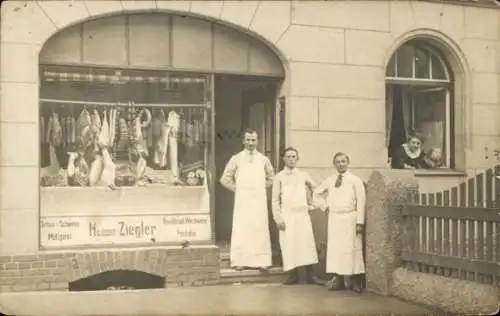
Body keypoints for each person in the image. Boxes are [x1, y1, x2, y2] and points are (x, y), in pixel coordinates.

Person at [220, 129, 275, 272]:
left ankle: (262, 261)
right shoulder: (236, 158)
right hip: (242, 201)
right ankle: (240, 261)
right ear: (243, 141)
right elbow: (224, 179)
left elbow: (272, 178)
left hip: (259, 200)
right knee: (242, 228)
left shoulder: (264, 159)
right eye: (248, 140)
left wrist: (261, 188)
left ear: (257, 141)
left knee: (259, 228)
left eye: (254, 140)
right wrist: (239, 190)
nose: (251, 143)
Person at [313, 152, 366, 293]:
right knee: (337, 250)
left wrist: (360, 222)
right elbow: (316, 194)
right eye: (338, 162)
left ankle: (356, 280)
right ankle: (338, 279)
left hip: (350, 218)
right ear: (334, 164)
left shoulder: (355, 180)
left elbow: (361, 201)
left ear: (348, 163)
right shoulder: (330, 180)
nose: (341, 164)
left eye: (343, 161)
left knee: (352, 249)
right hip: (335, 218)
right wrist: (325, 206)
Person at [272, 147, 318, 284]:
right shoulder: (279, 177)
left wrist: (312, 205)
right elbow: (275, 200)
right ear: (284, 159)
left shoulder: (304, 175)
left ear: (298, 159)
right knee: (288, 244)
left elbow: (317, 189)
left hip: (302, 214)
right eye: (288, 157)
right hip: (287, 215)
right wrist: (278, 218)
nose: (291, 159)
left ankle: (310, 275)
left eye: (294, 157)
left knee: (306, 243)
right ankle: (292, 276)